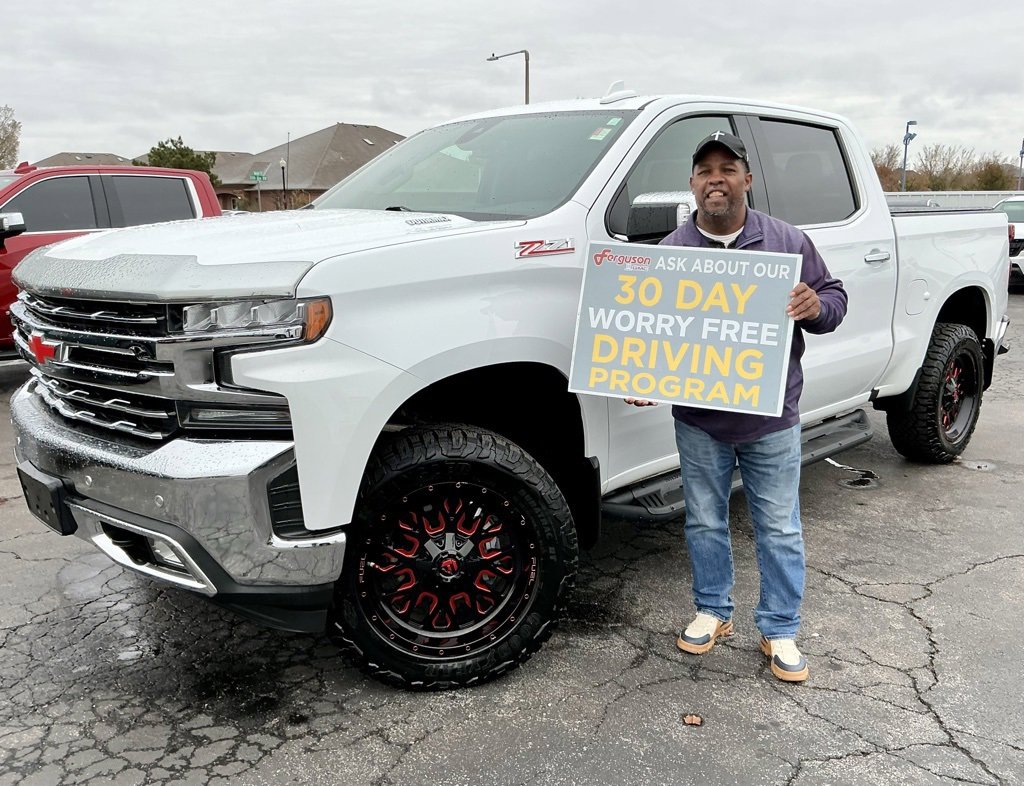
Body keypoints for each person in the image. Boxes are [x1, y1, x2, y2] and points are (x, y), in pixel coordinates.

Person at [627, 132, 847, 682]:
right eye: (705, 170)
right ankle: (713, 611)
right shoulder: (672, 255)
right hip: (699, 420)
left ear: (747, 179)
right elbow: (653, 333)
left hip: (770, 417)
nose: (715, 179)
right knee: (704, 520)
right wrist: (641, 373)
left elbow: (836, 300)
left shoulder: (787, 242)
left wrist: (816, 305)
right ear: (692, 184)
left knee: (778, 526)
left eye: (728, 168)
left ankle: (779, 628)